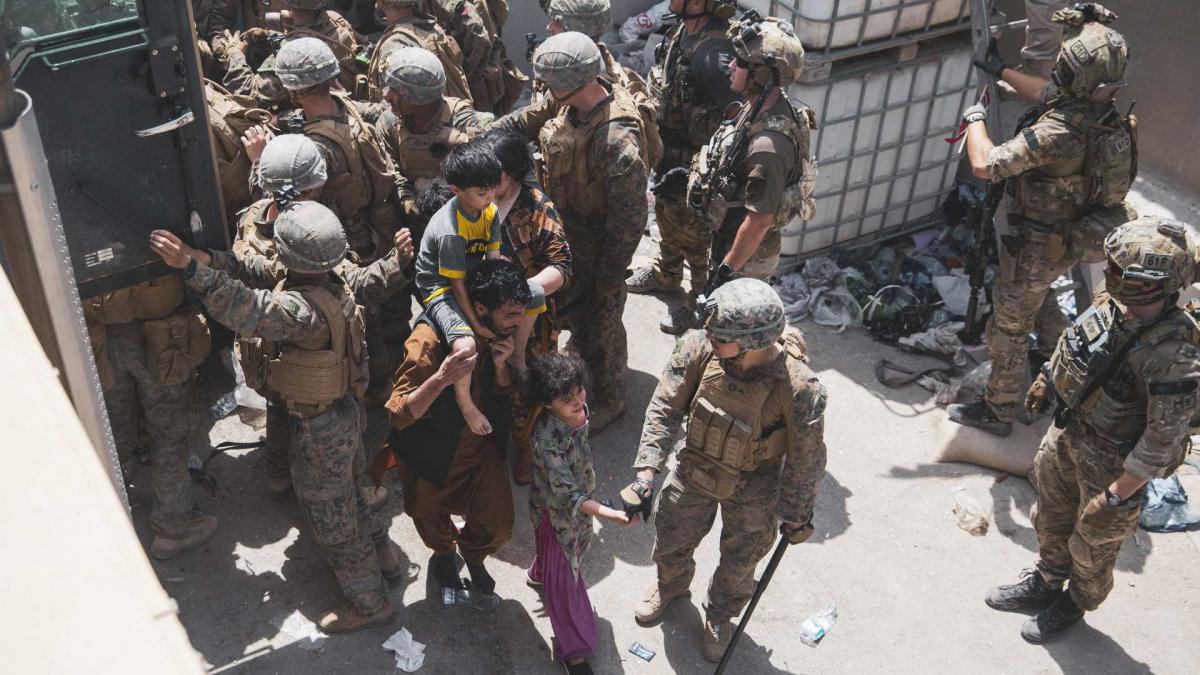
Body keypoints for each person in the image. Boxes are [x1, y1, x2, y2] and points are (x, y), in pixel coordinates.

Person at [149, 202, 394, 634]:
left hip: (320, 430)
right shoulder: (332, 279)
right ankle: (384, 558)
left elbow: (248, 307)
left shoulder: (301, 312)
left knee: (332, 519)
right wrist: (204, 257)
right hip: (344, 414)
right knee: (355, 491)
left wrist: (190, 270)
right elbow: (254, 270)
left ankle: (369, 601)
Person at [987, 217, 1199, 643]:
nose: (1112, 276)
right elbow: (1080, 342)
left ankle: (1075, 602)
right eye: (1113, 268)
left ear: (1154, 284)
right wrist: (1049, 376)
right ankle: (1046, 581)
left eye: (1123, 273)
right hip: (1069, 437)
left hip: (1113, 466)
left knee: (1092, 547)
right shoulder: (1115, 304)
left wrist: (1118, 493)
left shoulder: (1175, 355)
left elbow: (1162, 440)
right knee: (1050, 518)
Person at [949, 5, 1137, 437]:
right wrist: (1001, 70)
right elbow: (1045, 91)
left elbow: (985, 164)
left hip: (1037, 242)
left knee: (1009, 327)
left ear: (1072, 71)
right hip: (1077, 234)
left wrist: (975, 121)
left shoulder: (1059, 130)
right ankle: (1063, 373)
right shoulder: (1106, 113)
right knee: (1045, 303)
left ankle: (998, 410)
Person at [625, 278, 827, 661]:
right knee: (672, 537)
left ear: (751, 342)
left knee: (741, 561)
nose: (709, 335)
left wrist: (797, 515)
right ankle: (670, 586)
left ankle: (719, 616)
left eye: (720, 333)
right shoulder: (700, 346)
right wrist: (647, 470)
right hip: (696, 465)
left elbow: (807, 459)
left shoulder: (800, 388)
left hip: (756, 484)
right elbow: (665, 407)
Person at [220, 134, 414, 506]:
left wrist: (259, 162)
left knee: (278, 409)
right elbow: (355, 286)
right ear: (311, 189)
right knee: (343, 421)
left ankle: (278, 473)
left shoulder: (251, 218)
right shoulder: (310, 236)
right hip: (314, 360)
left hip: (264, 351)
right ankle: (355, 488)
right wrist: (396, 263)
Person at [499, 31, 650, 433]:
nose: (545, 91)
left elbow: (630, 216)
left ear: (571, 82)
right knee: (576, 319)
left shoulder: (617, 139)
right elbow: (523, 121)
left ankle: (611, 397)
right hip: (568, 235)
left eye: (549, 83)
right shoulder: (568, 101)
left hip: (600, 245)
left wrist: (610, 273)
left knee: (602, 324)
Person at [386, 259, 531, 598]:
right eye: (510, 315)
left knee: (498, 522)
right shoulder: (428, 340)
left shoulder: (499, 334)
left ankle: (474, 555)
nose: (518, 322)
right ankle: (445, 554)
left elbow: (503, 393)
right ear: (480, 308)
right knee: (429, 514)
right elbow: (398, 413)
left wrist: (499, 367)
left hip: (480, 449)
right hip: (432, 451)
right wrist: (441, 379)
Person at [685, 15, 815, 329]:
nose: (730, 65)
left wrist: (724, 273)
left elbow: (759, 222)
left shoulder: (768, 146)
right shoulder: (758, 105)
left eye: (740, 62)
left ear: (761, 74)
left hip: (746, 260)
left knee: (733, 336)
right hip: (732, 241)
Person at [626, 0, 740, 334]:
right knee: (667, 217)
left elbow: (736, 116)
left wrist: (706, 169)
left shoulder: (714, 53)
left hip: (697, 159)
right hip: (670, 152)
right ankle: (667, 273)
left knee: (697, 233)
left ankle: (700, 298)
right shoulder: (684, 32)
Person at [83, 275, 215, 561]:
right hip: (156, 335)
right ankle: (172, 530)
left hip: (102, 332)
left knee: (111, 427)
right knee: (170, 433)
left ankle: (111, 508)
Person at [525, 352, 629, 675]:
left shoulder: (579, 412)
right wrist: (608, 515)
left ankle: (538, 574)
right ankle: (573, 650)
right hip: (556, 516)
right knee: (566, 580)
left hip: (575, 508)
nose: (578, 400)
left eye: (579, 390)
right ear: (546, 404)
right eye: (566, 398)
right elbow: (567, 494)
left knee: (561, 559)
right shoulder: (547, 440)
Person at [274, 37, 414, 264]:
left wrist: (259, 158)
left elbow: (287, 205)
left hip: (349, 248)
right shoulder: (349, 108)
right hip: (382, 230)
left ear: (294, 89)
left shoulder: (315, 149)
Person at [486, 128, 573, 484]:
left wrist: (522, 291)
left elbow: (562, 267)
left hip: (530, 320)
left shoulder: (538, 208)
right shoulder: (479, 198)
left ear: (509, 175)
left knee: (526, 385)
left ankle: (525, 447)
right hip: (484, 313)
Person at [374, 47, 484, 195]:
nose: (386, 95)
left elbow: (485, 164)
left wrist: (462, 140)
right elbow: (390, 169)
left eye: (394, 91)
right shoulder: (390, 121)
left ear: (416, 97)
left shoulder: (460, 119)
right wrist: (405, 196)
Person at [366, 0, 472, 103]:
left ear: (383, 2)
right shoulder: (432, 27)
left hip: (421, 118)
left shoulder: (394, 43)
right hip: (447, 111)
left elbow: (391, 107)